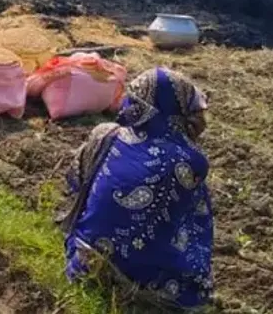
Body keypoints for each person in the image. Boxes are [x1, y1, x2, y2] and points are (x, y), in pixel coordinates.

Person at [60, 67, 214, 309]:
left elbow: (75, 182)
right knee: (198, 207)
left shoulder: (105, 134)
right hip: (143, 282)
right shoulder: (189, 160)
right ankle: (175, 283)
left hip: (85, 258)